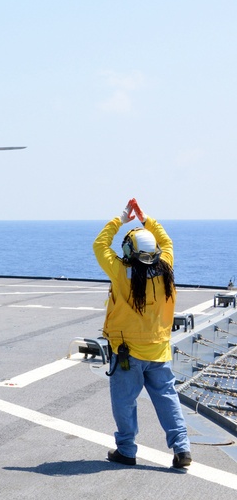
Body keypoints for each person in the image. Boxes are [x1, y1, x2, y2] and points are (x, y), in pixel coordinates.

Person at [93, 199, 191, 469]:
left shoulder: (121, 272)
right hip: (159, 349)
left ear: (129, 250)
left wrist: (121, 220)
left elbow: (100, 245)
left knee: (124, 402)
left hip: (126, 352)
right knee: (167, 398)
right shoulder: (166, 268)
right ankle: (182, 449)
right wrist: (147, 219)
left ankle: (126, 450)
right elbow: (167, 242)